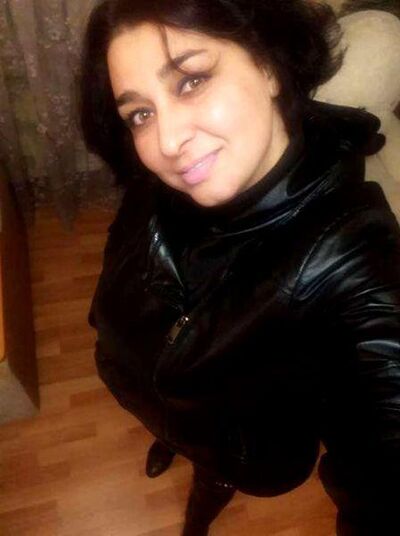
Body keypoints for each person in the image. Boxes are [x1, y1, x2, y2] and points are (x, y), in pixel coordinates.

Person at [80, 1, 400, 534]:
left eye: (191, 81)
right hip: (145, 393)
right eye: (140, 113)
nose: (166, 143)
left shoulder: (354, 260)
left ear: (269, 64)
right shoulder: (180, 169)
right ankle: (166, 437)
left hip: (230, 451)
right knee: (171, 421)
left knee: (209, 483)